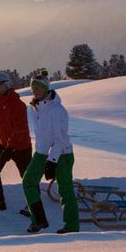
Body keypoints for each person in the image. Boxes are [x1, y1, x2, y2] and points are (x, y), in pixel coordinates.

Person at [22, 70, 79, 234]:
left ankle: (72, 226)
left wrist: (52, 161)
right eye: (33, 88)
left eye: (38, 88)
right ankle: (38, 220)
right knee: (28, 182)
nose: (35, 91)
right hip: (41, 153)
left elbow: (60, 140)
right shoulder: (35, 107)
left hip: (62, 154)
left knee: (65, 189)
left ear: (46, 89)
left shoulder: (57, 110)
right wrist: (41, 154)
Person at [0, 71, 32, 213]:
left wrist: (10, 147)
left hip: (21, 146)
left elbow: (19, 128)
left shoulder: (17, 104)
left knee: (28, 177)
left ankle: (33, 205)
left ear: (7, 85)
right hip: (2, 144)